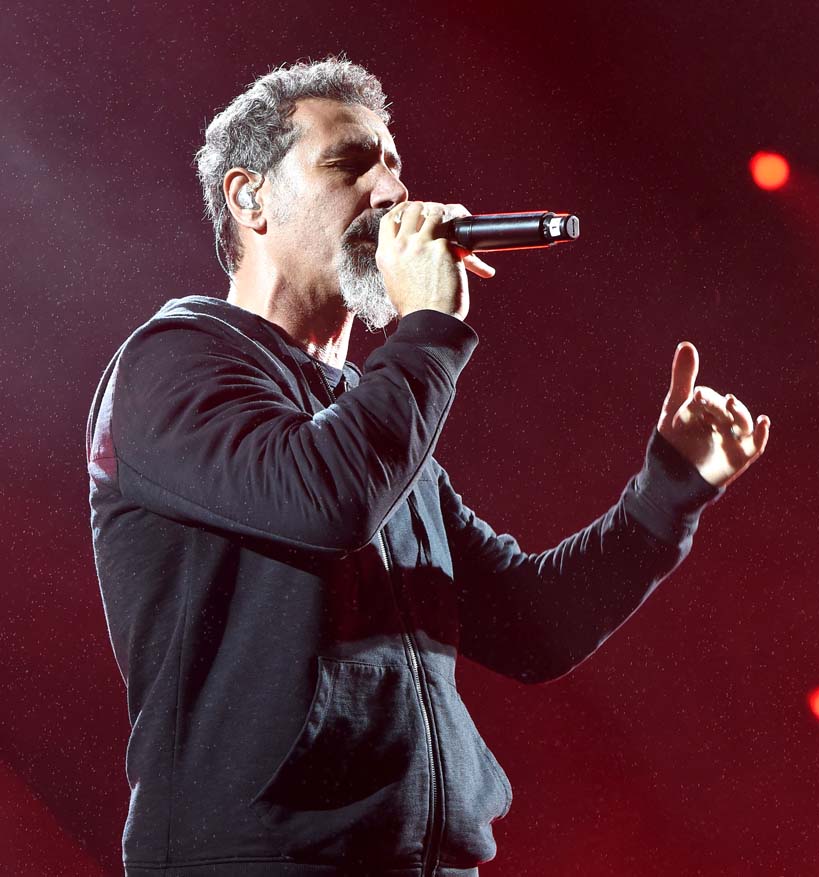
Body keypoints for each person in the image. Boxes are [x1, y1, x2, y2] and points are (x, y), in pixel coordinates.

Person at [86, 57, 770, 877]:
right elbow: (326, 499)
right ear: (249, 197)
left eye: (393, 167)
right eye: (348, 164)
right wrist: (431, 327)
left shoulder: (370, 413)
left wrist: (669, 492)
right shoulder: (175, 363)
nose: (388, 194)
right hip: (261, 859)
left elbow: (529, 624)